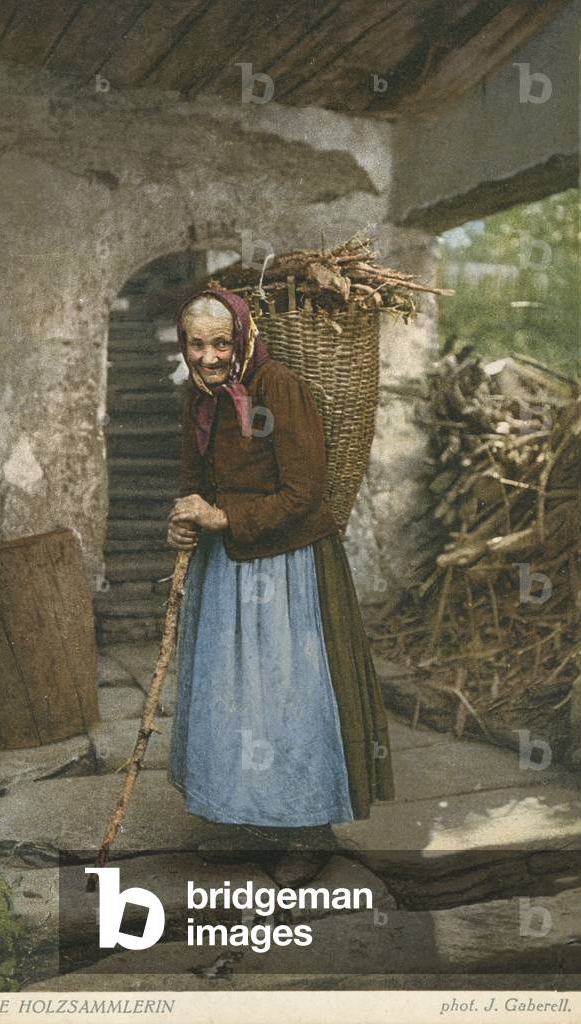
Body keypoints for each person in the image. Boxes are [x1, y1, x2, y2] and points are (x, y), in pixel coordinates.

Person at [166, 287, 394, 868]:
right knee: (234, 697)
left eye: (220, 343)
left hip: (290, 567)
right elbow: (194, 485)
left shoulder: (279, 389)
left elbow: (304, 492)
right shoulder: (198, 401)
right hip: (227, 569)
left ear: (240, 338)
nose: (209, 357)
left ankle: (309, 832)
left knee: (292, 698)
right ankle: (248, 820)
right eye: (197, 344)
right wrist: (184, 522)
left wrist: (223, 517)